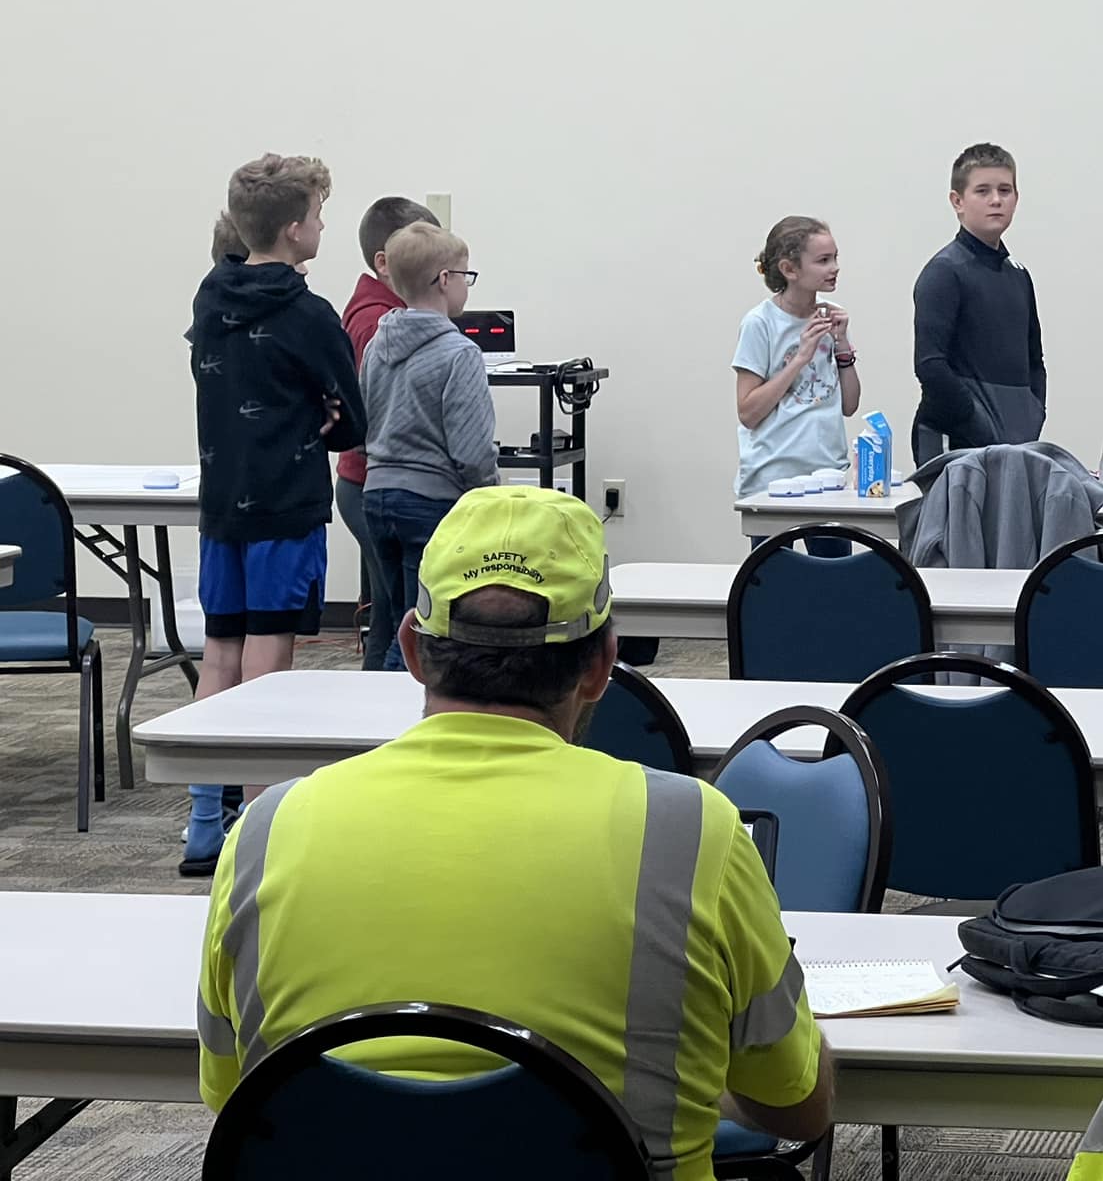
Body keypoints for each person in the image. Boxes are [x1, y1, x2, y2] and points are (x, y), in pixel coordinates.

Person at [197, 486, 833, 1176]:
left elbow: (234, 1094)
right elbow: (797, 1106)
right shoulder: (695, 835)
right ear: (600, 665)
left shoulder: (264, 831)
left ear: (411, 647)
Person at [184, 153, 366, 876]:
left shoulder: (209, 295)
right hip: (286, 504)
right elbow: (353, 421)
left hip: (221, 501)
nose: (323, 224)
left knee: (220, 652)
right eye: (318, 214)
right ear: (295, 230)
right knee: (271, 662)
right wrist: (323, 413)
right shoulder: (308, 313)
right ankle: (259, 834)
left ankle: (203, 818)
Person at [361, 220, 498, 671]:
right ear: (444, 281)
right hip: (429, 503)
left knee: (396, 617)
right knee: (423, 630)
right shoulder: (459, 354)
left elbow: (368, 418)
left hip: (376, 496)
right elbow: (472, 451)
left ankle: (379, 711)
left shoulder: (378, 342)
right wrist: (490, 504)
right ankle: (400, 725)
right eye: (465, 276)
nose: (466, 286)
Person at [337, 196, 440, 671]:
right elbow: (372, 411)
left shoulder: (388, 314)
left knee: (387, 617)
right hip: (372, 482)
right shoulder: (374, 322)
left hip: (374, 483)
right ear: (385, 261)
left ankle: (372, 709)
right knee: (403, 618)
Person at [911, 143, 1046, 465]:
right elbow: (930, 365)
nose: (996, 200)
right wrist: (977, 422)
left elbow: (1034, 359)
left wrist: (1033, 411)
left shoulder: (1018, 275)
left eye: (1005, 190)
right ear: (957, 201)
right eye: (982, 191)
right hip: (956, 439)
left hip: (1015, 440)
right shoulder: (945, 272)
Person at [734, 218, 860, 557]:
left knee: (833, 581)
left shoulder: (830, 317)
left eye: (835, 257)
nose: (834, 268)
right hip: (773, 479)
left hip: (827, 475)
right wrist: (800, 358)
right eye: (823, 261)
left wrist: (843, 346)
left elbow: (849, 405)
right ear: (789, 268)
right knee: (773, 584)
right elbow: (748, 411)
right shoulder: (760, 323)